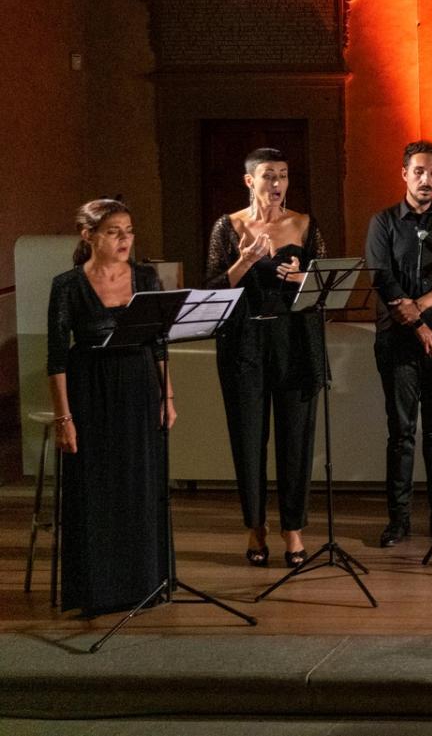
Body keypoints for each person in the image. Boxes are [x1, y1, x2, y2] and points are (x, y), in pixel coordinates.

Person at [46, 198, 173, 615]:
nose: (125, 240)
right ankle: (98, 591)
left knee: (140, 485)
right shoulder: (67, 285)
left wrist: (167, 396)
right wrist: (64, 418)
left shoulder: (146, 277)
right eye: (114, 232)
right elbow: (56, 356)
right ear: (89, 236)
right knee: (97, 489)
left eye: (129, 231)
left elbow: (158, 344)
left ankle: (145, 584)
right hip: (90, 391)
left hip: (139, 388)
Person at [204, 147, 327, 569]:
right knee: (248, 439)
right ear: (249, 181)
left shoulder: (306, 225)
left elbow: (326, 288)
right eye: (268, 175)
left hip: (294, 342)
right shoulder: (228, 226)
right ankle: (255, 527)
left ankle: (293, 528)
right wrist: (246, 260)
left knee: (296, 440)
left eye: (283, 175)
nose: (276, 184)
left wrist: (302, 279)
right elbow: (214, 289)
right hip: (245, 344)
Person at [364, 139, 432, 548]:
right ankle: (399, 521)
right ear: (404, 174)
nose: (427, 180)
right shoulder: (384, 222)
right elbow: (382, 277)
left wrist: (422, 310)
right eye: (420, 172)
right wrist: (416, 325)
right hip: (398, 339)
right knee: (402, 432)